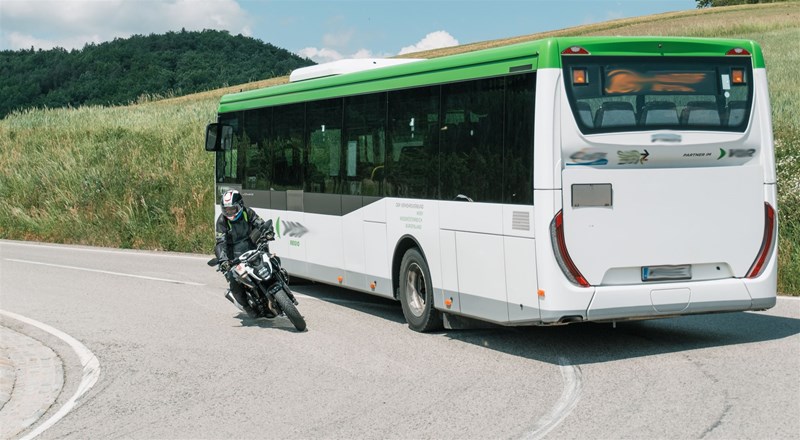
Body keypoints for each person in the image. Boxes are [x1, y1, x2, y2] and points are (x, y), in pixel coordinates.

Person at [214, 189, 266, 318]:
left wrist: (267, 231)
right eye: (226, 210)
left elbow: (260, 223)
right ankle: (247, 307)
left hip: (252, 247)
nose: (229, 212)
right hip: (235, 256)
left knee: (273, 260)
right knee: (234, 281)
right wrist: (223, 260)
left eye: (232, 209)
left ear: (240, 205)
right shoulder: (222, 221)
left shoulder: (248, 212)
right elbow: (220, 242)